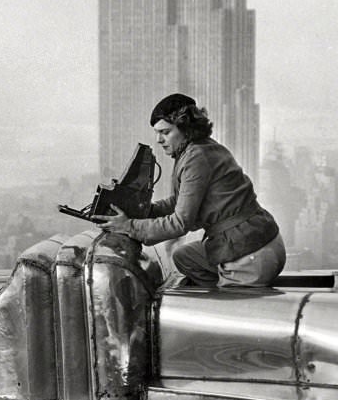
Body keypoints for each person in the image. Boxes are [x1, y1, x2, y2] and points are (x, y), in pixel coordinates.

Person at [95, 93, 286, 288]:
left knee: (223, 312)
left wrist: (129, 226)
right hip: (260, 240)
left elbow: (180, 223)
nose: (159, 140)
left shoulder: (196, 158)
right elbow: (181, 201)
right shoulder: (201, 149)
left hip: (251, 253)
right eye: (157, 133)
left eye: (165, 132)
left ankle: (225, 289)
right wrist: (146, 211)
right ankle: (220, 287)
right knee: (184, 257)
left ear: (186, 129)